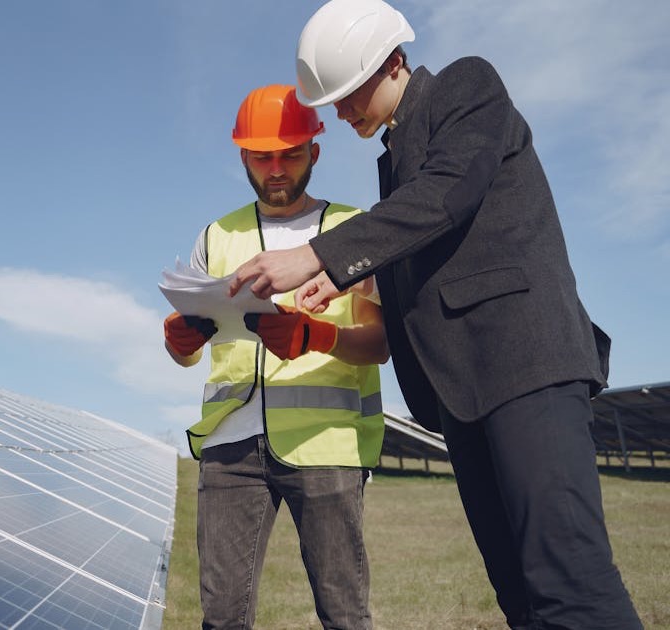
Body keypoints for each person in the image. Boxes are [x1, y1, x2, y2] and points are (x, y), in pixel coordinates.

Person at [227, 0, 643, 627]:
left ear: (393, 62)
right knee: (518, 593)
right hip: (463, 391)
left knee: (569, 584)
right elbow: (426, 251)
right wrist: (348, 286)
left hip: (524, 363)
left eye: (346, 94)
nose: (338, 113)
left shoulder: (468, 86)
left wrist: (319, 256)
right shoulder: (394, 164)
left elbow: (447, 194)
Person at [164, 83, 389, 630]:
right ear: (244, 156)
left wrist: (318, 338)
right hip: (227, 447)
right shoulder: (216, 235)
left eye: (290, 153)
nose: (277, 168)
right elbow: (193, 348)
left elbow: (381, 344)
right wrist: (178, 343)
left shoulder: (353, 230)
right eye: (263, 157)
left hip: (326, 444)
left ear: (315, 150)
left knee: (344, 615)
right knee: (221, 620)